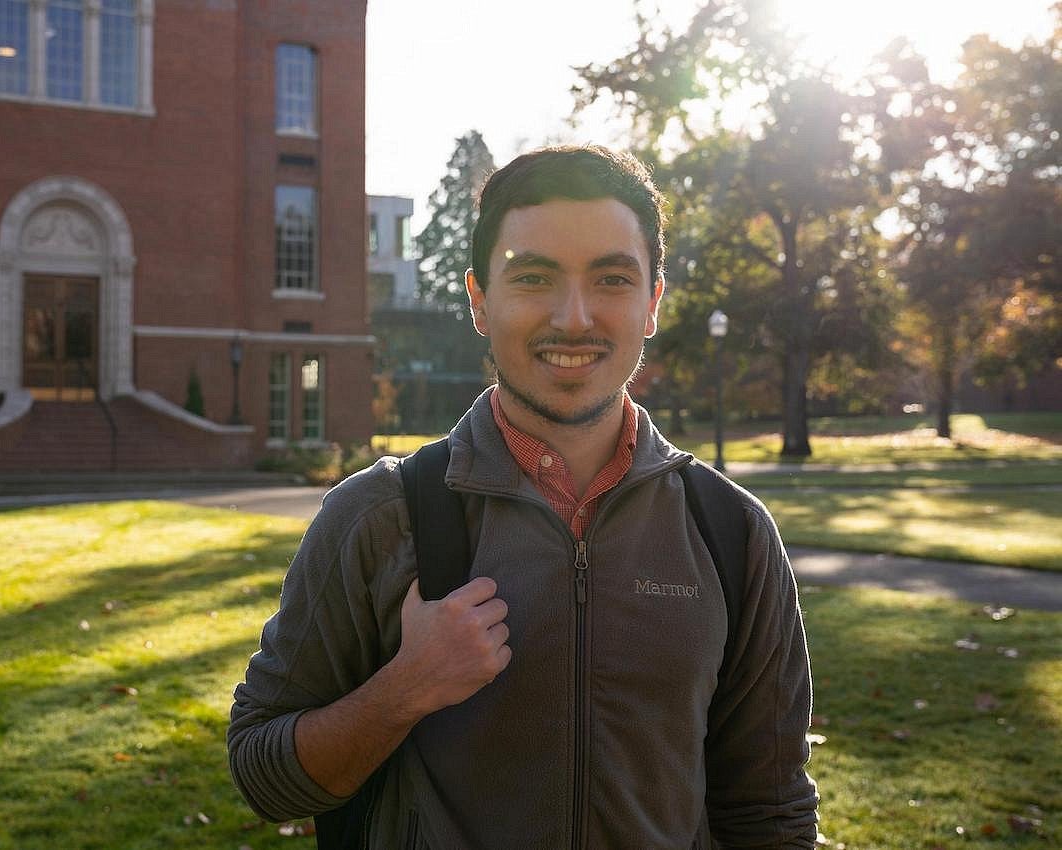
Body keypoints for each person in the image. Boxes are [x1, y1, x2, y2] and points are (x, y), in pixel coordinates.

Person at [228, 145, 818, 848]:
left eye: (611, 279)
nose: (573, 319)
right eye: (534, 277)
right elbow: (263, 776)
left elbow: (771, 811)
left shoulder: (731, 533)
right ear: (480, 302)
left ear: (653, 302)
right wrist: (404, 690)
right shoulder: (379, 518)